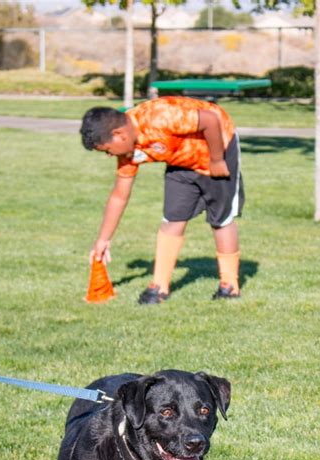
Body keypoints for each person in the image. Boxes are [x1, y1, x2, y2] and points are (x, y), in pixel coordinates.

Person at [81, 96, 245, 304]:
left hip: (217, 148)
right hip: (180, 162)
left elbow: (211, 119)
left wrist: (217, 159)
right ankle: (159, 287)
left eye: (107, 150)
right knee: (172, 219)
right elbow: (119, 195)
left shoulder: (160, 117)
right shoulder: (128, 151)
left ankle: (229, 286)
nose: (108, 155)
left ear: (118, 135)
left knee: (221, 220)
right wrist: (103, 240)